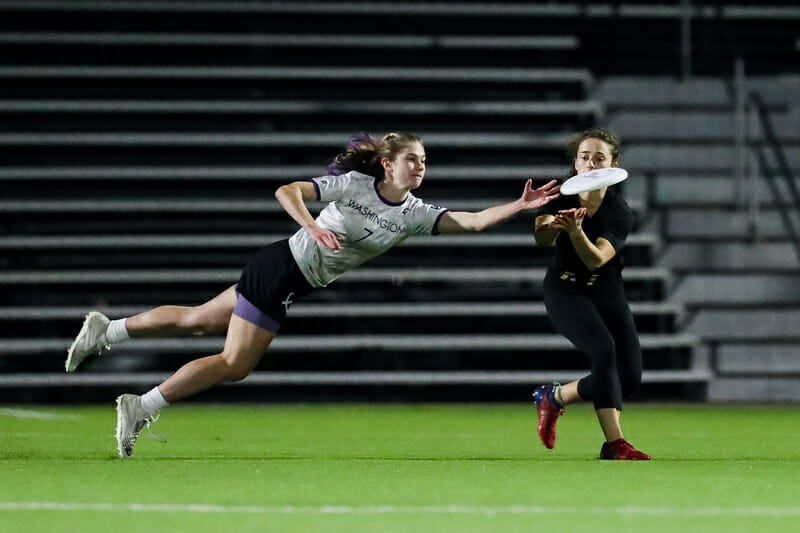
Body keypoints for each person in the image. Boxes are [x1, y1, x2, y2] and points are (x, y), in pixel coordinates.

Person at [65, 131, 561, 458]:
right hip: (282, 267)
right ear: (387, 163)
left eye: (425, 161)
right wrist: (311, 227)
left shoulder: (412, 213)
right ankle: (142, 405)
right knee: (235, 363)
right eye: (412, 160)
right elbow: (287, 190)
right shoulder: (352, 185)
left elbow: (472, 222)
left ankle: (108, 329)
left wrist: (520, 205)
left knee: (200, 320)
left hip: (287, 274)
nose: (420, 167)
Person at [531, 127, 650, 460]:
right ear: (576, 163)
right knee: (604, 350)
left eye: (599, 157)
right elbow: (540, 238)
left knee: (629, 376)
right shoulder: (559, 195)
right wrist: (549, 225)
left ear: (613, 165)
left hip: (605, 288)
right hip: (565, 290)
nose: (591, 163)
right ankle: (615, 444)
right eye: (584, 157)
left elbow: (596, 259)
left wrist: (576, 232)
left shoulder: (619, 211)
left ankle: (555, 396)